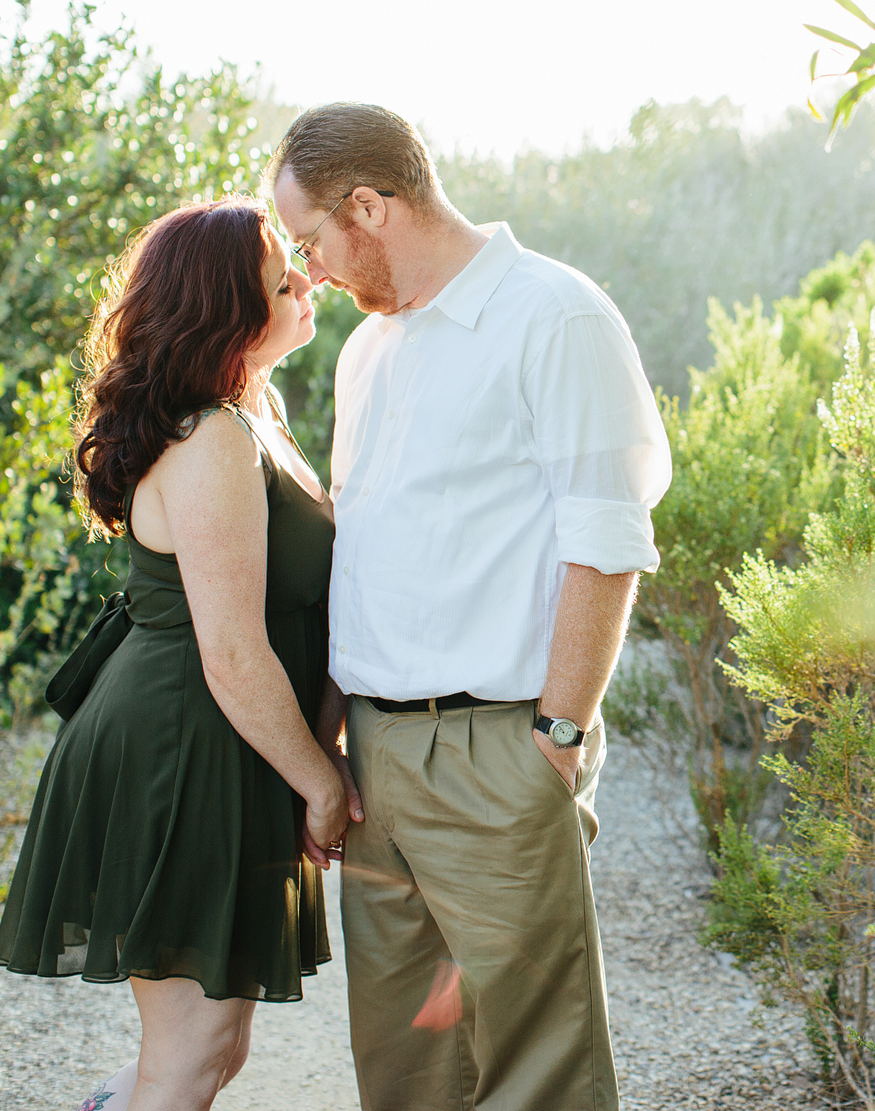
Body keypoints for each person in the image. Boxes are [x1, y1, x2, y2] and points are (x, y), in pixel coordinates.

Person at [267, 103, 670, 1111]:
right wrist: (328, 749)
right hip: (378, 765)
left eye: (311, 240)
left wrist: (557, 734)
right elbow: (361, 559)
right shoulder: (368, 353)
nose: (308, 270)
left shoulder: (555, 315)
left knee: (535, 1072)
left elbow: (605, 538)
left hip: (499, 752)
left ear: (370, 206)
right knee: (403, 1071)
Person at [0, 199, 351, 1111]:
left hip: (229, 745)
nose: (307, 282)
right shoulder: (211, 439)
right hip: (182, 747)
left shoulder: (253, 411)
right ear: (227, 312)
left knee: (213, 1050)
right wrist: (322, 778)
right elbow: (231, 651)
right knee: (191, 1057)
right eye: (281, 280)